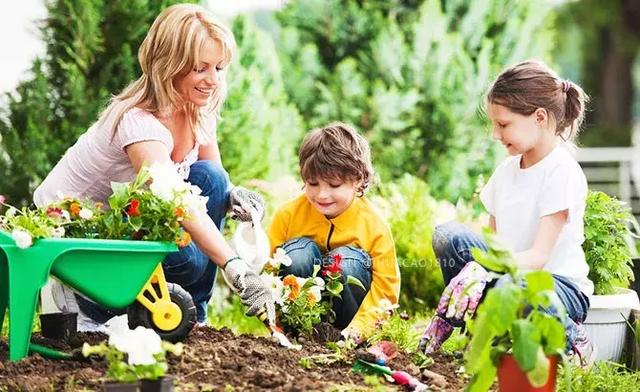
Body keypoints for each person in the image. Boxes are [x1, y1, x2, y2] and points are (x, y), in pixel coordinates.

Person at [33, 4, 275, 329]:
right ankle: (95, 304)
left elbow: (211, 177)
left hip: (132, 219)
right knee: (189, 257)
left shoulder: (196, 106)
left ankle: (194, 316)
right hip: (81, 243)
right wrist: (236, 268)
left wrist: (236, 198)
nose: (212, 80)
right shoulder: (138, 122)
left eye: (219, 67)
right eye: (200, 68)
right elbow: (178, 200)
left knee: (213, 181)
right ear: (169, 65)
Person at [418, 60, 596, 365]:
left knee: (512, 286)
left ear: (539, 117)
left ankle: (571, 338)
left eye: (503, 124)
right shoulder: (505, 171)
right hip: (509, 278)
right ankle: (486, 327)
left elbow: (539, 257)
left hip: (557, 286)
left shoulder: (560, 171)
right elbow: (494, 242)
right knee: (449, 237)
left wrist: (485, 269)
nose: (495, 135)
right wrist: (479, 269)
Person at [267, 122, 401, 340]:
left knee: (345, 261)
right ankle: (298, 332)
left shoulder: (374, 225)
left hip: (349, 324)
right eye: (313, 183)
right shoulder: (288, 215)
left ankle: (339, 336)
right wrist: (277, 325)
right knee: (296, 256)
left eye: (334, 185)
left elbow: (386, 290)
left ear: (358, 180)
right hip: (300, 315)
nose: (322, 195)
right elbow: (267, 273)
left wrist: (358, 330)